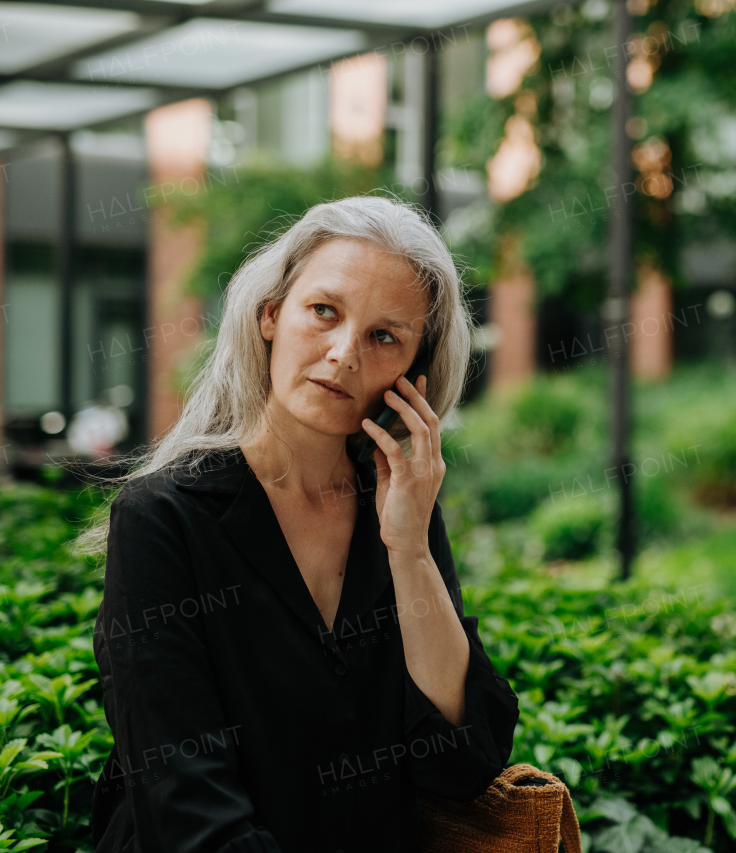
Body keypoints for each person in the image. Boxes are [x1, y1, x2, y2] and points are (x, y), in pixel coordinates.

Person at [72, 195, 520, 852]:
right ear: (271, 314)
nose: (342, 354)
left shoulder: (401, 515)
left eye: (384, 335)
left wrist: (409, 550)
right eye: (324, 312)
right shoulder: (162, 520)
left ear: (413, 375)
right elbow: (185, 808)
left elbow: (463, 760)